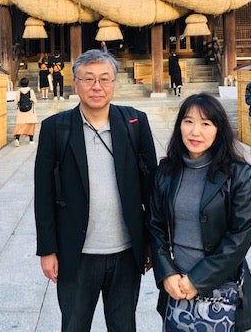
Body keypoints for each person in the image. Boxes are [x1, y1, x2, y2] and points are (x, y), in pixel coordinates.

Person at [34, 49, 158, 332]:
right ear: (75, 83)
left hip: (126, 252)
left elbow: (151, 188)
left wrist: (151, 242)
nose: (96, 86)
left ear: (114, 83)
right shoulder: (56, 128)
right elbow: (43, 194)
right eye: (88, 79)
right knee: (75, 326)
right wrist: (47, 250)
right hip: (75, 255)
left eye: (104, 79)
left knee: (124, 326)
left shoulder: (134, 123)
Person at [149, 93, 251, 332]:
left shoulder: (236, 174)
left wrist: (197, 279)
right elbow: (156, 226)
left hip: (220, 289)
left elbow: (240, 234)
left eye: (206, 124)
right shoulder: (166, 172)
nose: (195, 132)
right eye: (188, 121)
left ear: (218, 129)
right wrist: (167, 274)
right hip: (176, 287)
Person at [12, 77, 38, 146]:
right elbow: (35, 101)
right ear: (28, 83)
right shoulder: (31, 91)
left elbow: (16, 102)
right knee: (31, 125)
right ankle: (31, 140)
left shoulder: (18, 91)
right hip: (30, 111)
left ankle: (17, 139)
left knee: (20, 125)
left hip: (21, 111)